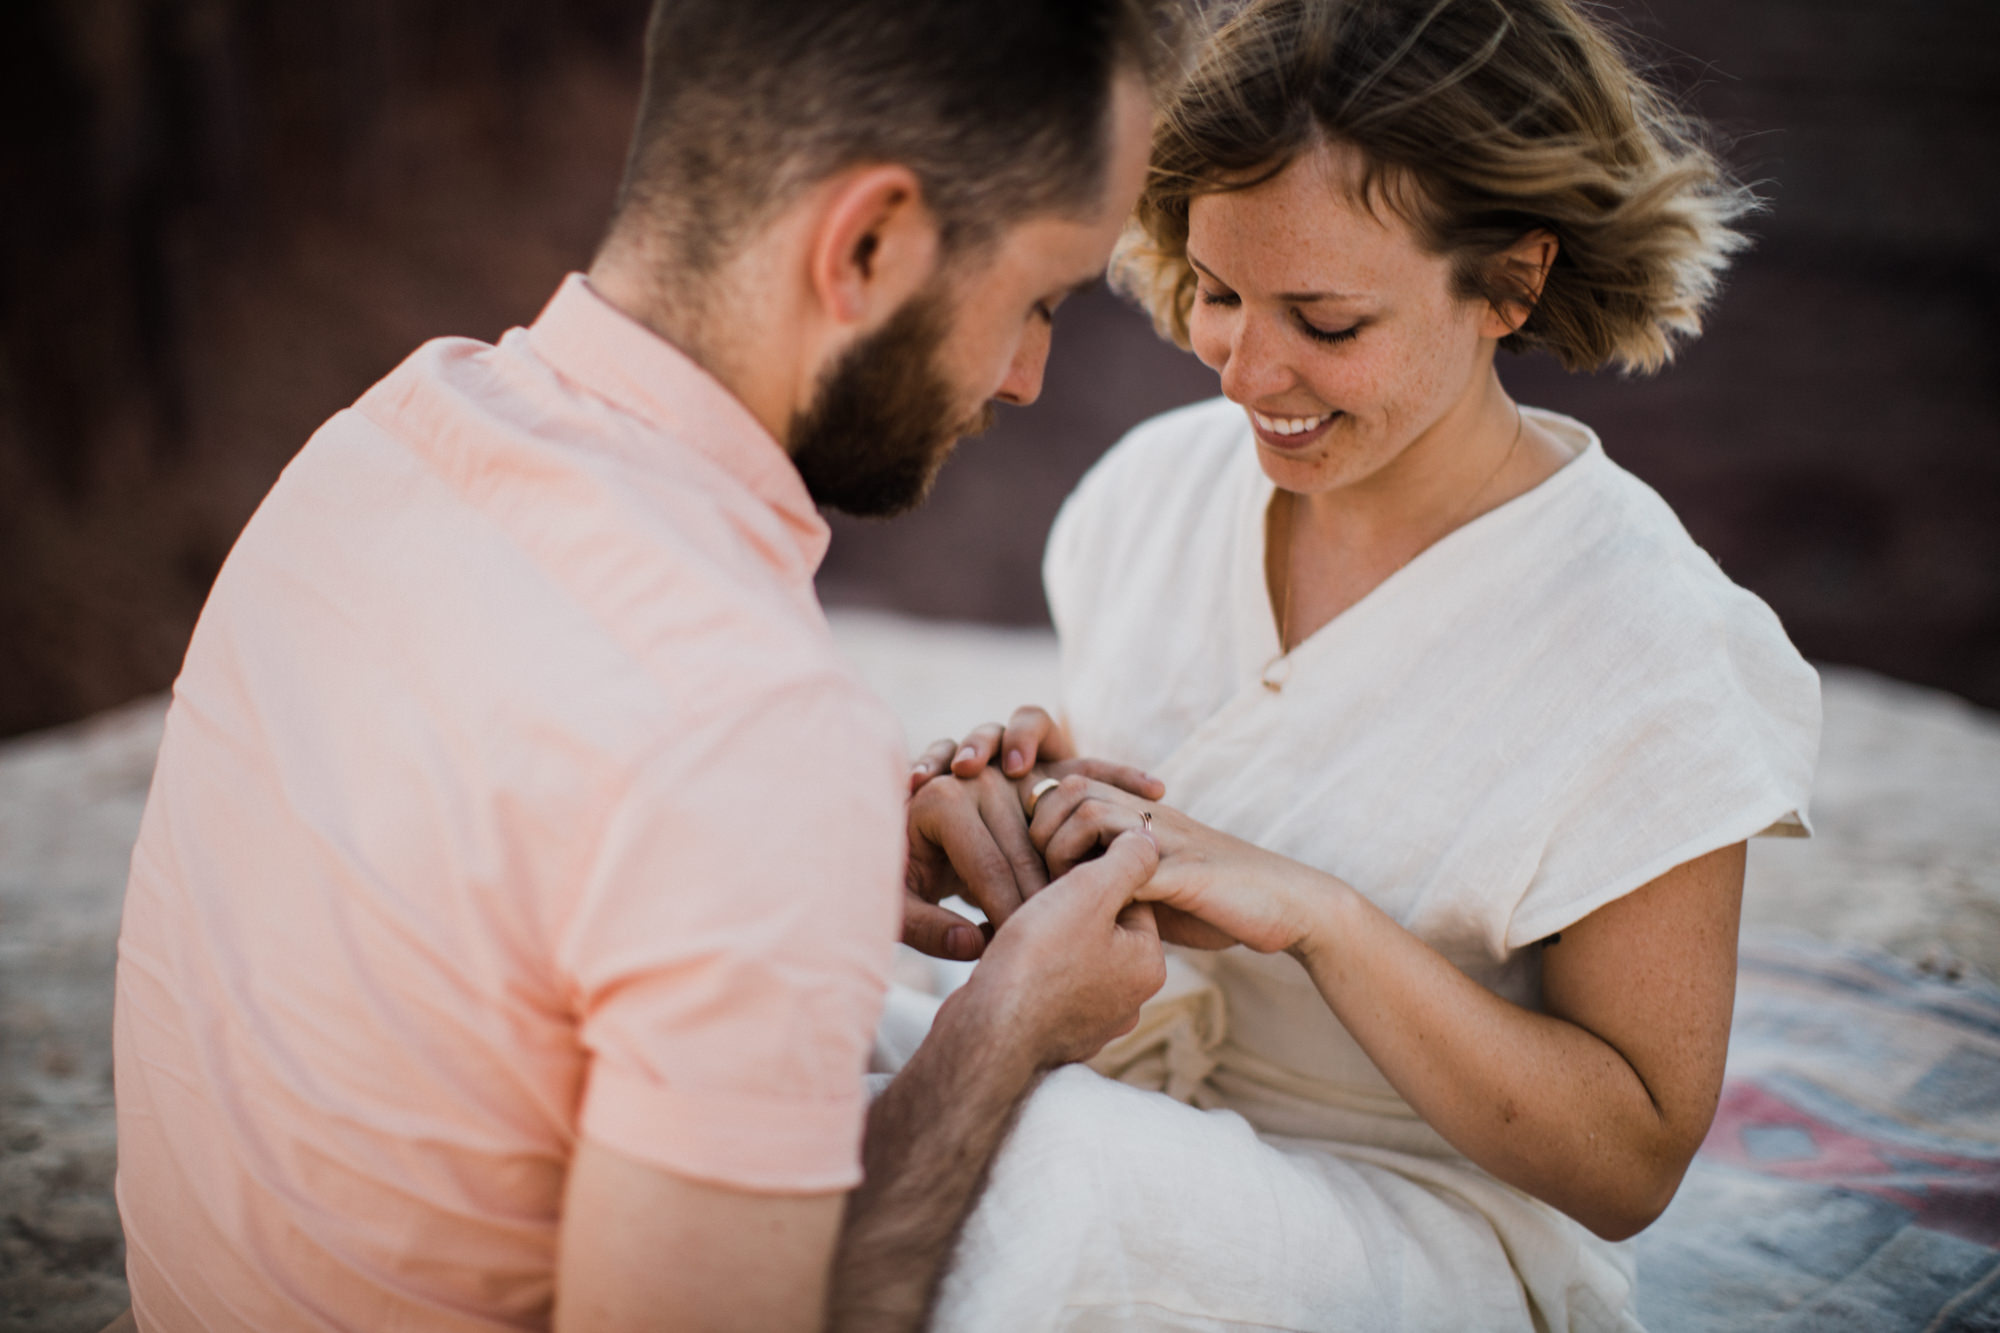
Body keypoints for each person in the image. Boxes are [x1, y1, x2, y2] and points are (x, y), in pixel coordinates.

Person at [109, 2, 1187, 1329]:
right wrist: (1009, 1026)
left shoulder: (377, 442)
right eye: (1035, 297)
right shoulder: (743, 724)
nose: (1028, 374)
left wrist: (800, 873)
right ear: (867, 245)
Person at [899, 0, 1821, 1328]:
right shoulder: (1150, 492)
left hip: (1410, 1212)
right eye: (1218, 291)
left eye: (1326, 321)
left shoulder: (1649, 641)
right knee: (781, 1018)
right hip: (1129, 1086)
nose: (1243, 371)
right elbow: (1169, 789)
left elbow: (1631, 1159)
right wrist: (1029, 803)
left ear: (1509, 282)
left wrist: (1317, 916)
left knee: (1045, 1174)